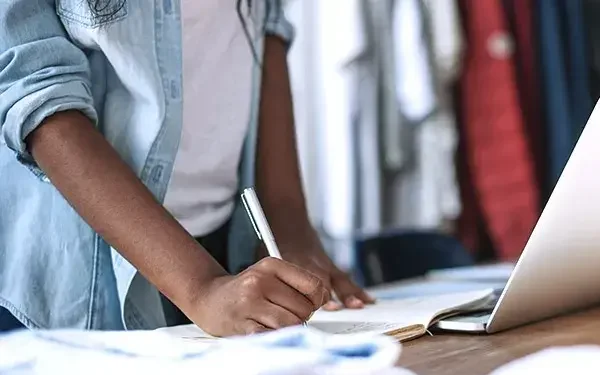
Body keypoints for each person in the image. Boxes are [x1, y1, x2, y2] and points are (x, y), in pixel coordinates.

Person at [0, 0, 374, 336]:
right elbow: (40, 101)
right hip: (86, 279)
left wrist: (292, 230)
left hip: (225, 249)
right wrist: (200, 286)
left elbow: (265, 29)